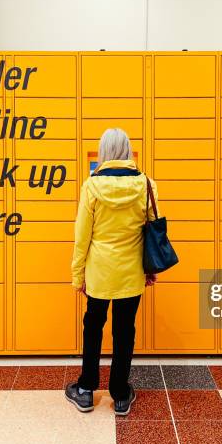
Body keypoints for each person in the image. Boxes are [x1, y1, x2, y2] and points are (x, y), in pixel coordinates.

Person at [65, 128, 158, 416]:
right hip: (131, 273)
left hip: (99, 273)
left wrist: (78, 275)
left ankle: (86, 390)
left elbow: (82, 236)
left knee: (93, 328)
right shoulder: (146, 184)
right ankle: (119, 394)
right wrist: (150, 268)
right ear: (128, 151)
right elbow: (153, 228)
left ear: (104, 152)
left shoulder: (91, 187)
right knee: (124, 330)